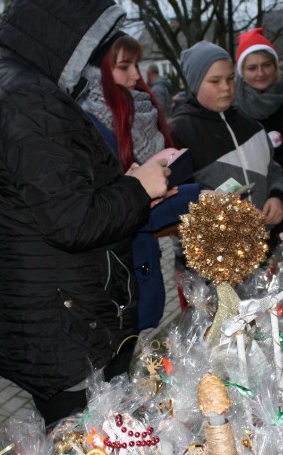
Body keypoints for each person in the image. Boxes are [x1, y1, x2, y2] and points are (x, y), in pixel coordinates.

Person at [0, 0, 170, 427]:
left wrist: (123, 186)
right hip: (59, 325)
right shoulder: (29, 100)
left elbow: (47, 195)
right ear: (67, 36)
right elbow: (73, 220)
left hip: (33, 310)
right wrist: (139, 187)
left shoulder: (3, 85)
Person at [81, 33, 201, 332]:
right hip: (113, 266)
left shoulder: (142, 108)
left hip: (145, 251)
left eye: (137, 63)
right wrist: (190, 196)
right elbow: (103, 207)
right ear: (98, 71)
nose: (136, 74)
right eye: (124, 66)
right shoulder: (89, 121)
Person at [172, 41, 283, 234]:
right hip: (214, 253)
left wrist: (278, 196)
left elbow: (274, 171)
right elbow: (176, 197)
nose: (226, 87)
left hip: (264, 242)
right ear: (195, 83)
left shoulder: (253, 127)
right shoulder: (179, 133)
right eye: (215, 81)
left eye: (231, 78)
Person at [234, 27, 283, 236]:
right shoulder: (233, 108)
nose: (260, 73)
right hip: (246, 201)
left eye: (266, 65)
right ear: (242, 72)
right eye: (252, 68)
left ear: (276, 66)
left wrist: (275, 187)